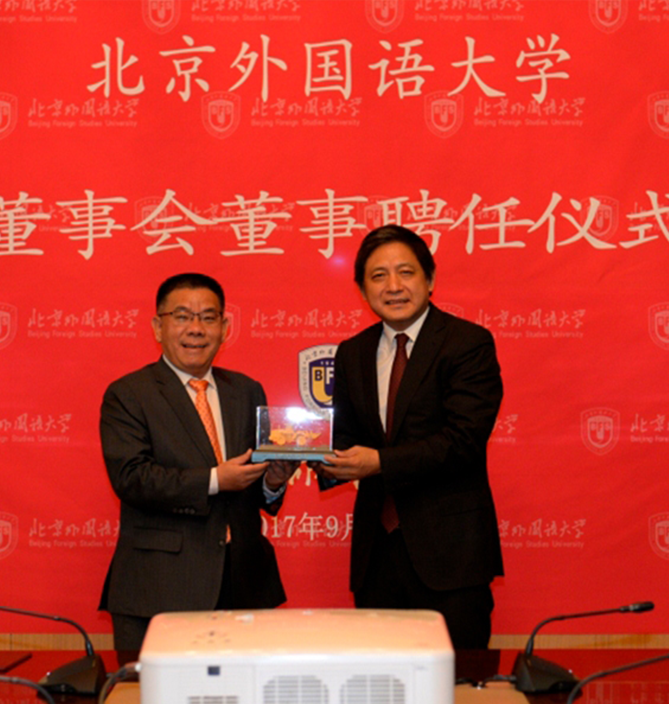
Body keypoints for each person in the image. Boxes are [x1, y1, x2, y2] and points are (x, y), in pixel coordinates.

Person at [317, 225, 504, 649]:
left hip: (451, 557)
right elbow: (343, 438)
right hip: (376, 556)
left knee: (456, 679)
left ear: (430, 279)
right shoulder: (352, 352)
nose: (393, 286)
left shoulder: (467, 343)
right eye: (378, 276)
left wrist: (379, 463)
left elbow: (463, 440)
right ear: (362, 290)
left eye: (406, 272)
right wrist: (298, 456)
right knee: (381, 677)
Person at [99, 273, 296, 651]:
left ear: (225, 328)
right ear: (158, 327)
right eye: (182, 316)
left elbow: (253, 488)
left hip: (243, 584)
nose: (196, 329)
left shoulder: (247, 390)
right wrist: (216, 479)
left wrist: (272, 481)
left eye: (208, 317)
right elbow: (132, 477)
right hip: (162, 587)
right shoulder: (128, 394)